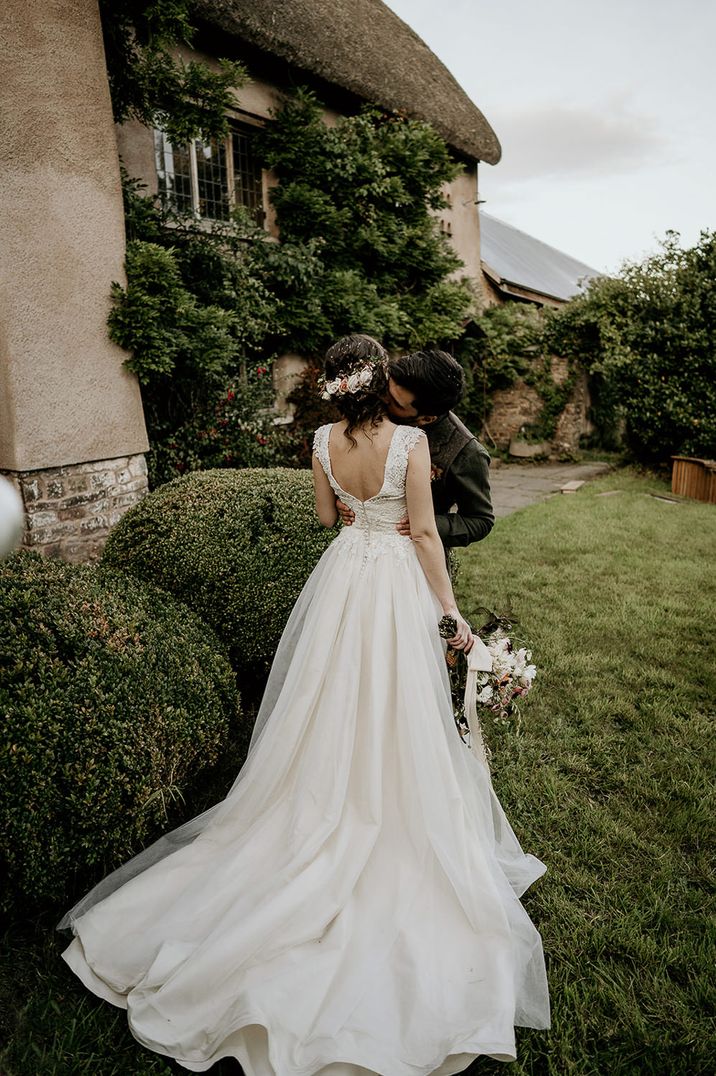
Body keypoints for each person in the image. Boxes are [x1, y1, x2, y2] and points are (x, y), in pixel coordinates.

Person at [58, 333, 550, 1074]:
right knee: (394, 700)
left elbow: (327, 519)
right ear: (382, 381)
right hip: (391, 584)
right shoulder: (412, 444)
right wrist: (450, 614)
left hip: (342, 577)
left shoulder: (320, 439)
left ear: (337, 386)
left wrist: (359, 514)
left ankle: (321, 801)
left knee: (326, 695)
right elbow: (422, 533)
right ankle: (382, 806)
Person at [338, 348, 494, 549]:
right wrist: (342, 499)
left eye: (396, 403)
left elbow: (480, 520)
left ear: (427, 418)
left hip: (415, 558)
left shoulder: (466, 452)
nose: (382, 401)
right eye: (387, 389)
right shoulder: (370, 409)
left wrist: (426, 524)